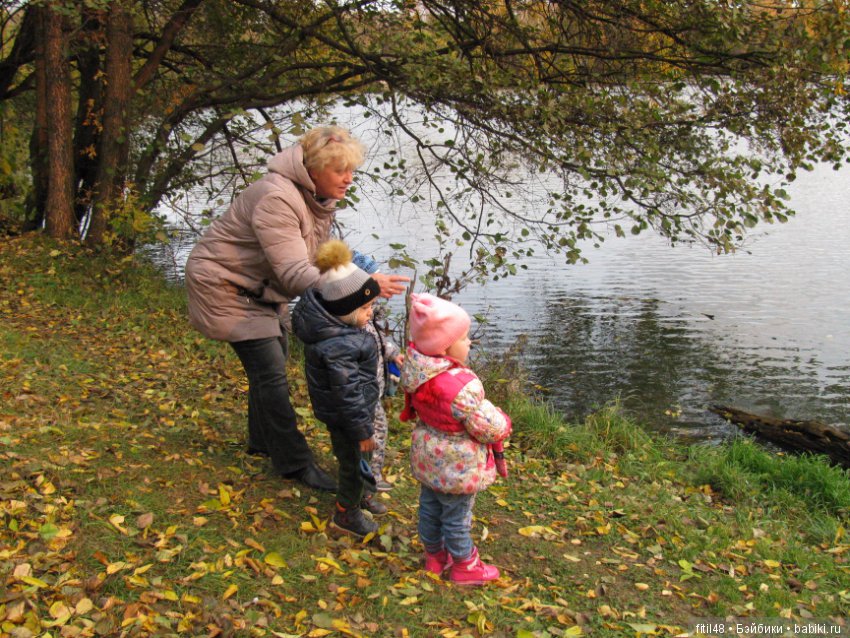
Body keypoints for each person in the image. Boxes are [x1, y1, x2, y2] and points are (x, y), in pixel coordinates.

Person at [184, 125, 408, 493]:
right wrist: (363, 286)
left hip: (259, 289)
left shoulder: (315, 198)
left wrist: (359, 270)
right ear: (313, 169)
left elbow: (315, 258)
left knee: (275, 357)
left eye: (351, 170)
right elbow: (294, 273)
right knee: (270, 371)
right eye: (340, 170)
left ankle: (262, 441)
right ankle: (294, 462)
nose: (349, 179)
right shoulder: (277, 197)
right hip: (225, 286)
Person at [399, 293, 512, 586]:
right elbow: (489, 428)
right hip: (456, 466)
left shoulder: (416, 371)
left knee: (430, 508)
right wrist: (502, 420)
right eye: (463, 338)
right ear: (444, 347)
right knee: (457, 517)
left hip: (429, 457)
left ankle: (434, 556)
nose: (469, 342)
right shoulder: (461, 387)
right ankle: (464, 565)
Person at [291, 240, 383, 538]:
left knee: (361, 459)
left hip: (355, 415)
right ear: (344, 309)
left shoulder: (343, 332)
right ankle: (347, 513)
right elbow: (347, 394)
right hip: (349, 419)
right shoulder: (339, 346)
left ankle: (362, 494)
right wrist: (363, 430)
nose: (371, 313)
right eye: (366, 307)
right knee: (353, 464)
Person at [351, 252, 404, 505]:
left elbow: (379, 340)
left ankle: (369, 477)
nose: (371, 309)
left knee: (376, 436)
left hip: (372, 393)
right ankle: (366, 484)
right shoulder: (352, 326)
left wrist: (392, 354)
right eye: (367, 304)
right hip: (362, 398)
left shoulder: (365, 318)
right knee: (372, 438)